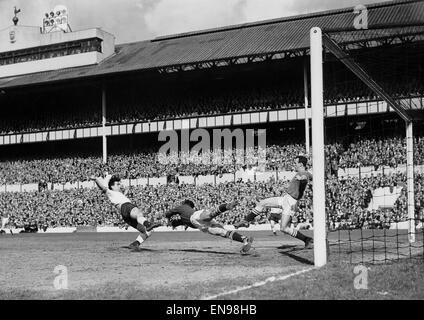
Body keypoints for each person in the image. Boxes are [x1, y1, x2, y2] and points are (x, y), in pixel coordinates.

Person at [235, 155, 313, 249]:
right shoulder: (301, 173)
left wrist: (303, 179)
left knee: (284, 228)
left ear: (300, 164)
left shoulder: (303, 173)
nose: (294, 165)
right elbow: (310, 177)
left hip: (291, 202)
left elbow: (306, 177)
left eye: (295, 163)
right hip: (285, 198)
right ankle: (246, 221)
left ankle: (306, 239)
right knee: (262, 203)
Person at [91, 173, 160, 249]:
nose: (120, 186)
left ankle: (135, 244)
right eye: (118, 184)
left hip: (125, 215)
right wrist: (96, 179)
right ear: (112, 186)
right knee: (138, 213)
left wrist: (125, 193)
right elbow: (103, 188)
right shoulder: (110, 192)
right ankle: (148, 224)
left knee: (148, 231)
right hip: (126, 206)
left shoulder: (117, 194)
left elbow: (120, 197)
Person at [164, 199, 254, 254]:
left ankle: (225, 207)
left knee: (209, 216)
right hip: (202, 224)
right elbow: (181, 222)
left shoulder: (182, 207)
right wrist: (175, 223)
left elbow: (168, 213)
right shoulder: (185, 215)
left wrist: (168, 219)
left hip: (196, 219)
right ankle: (244, 239)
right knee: (223, 232)